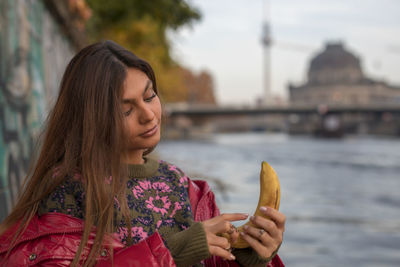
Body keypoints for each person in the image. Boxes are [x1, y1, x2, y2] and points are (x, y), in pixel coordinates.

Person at [0, 40, 285, 267]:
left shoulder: (181, 184)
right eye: (126, 109)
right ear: (93, 119)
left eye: (149, 97)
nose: (149, 115)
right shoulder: (69, 190)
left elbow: (213, 259)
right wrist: (170, 253)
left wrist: (253, 258)